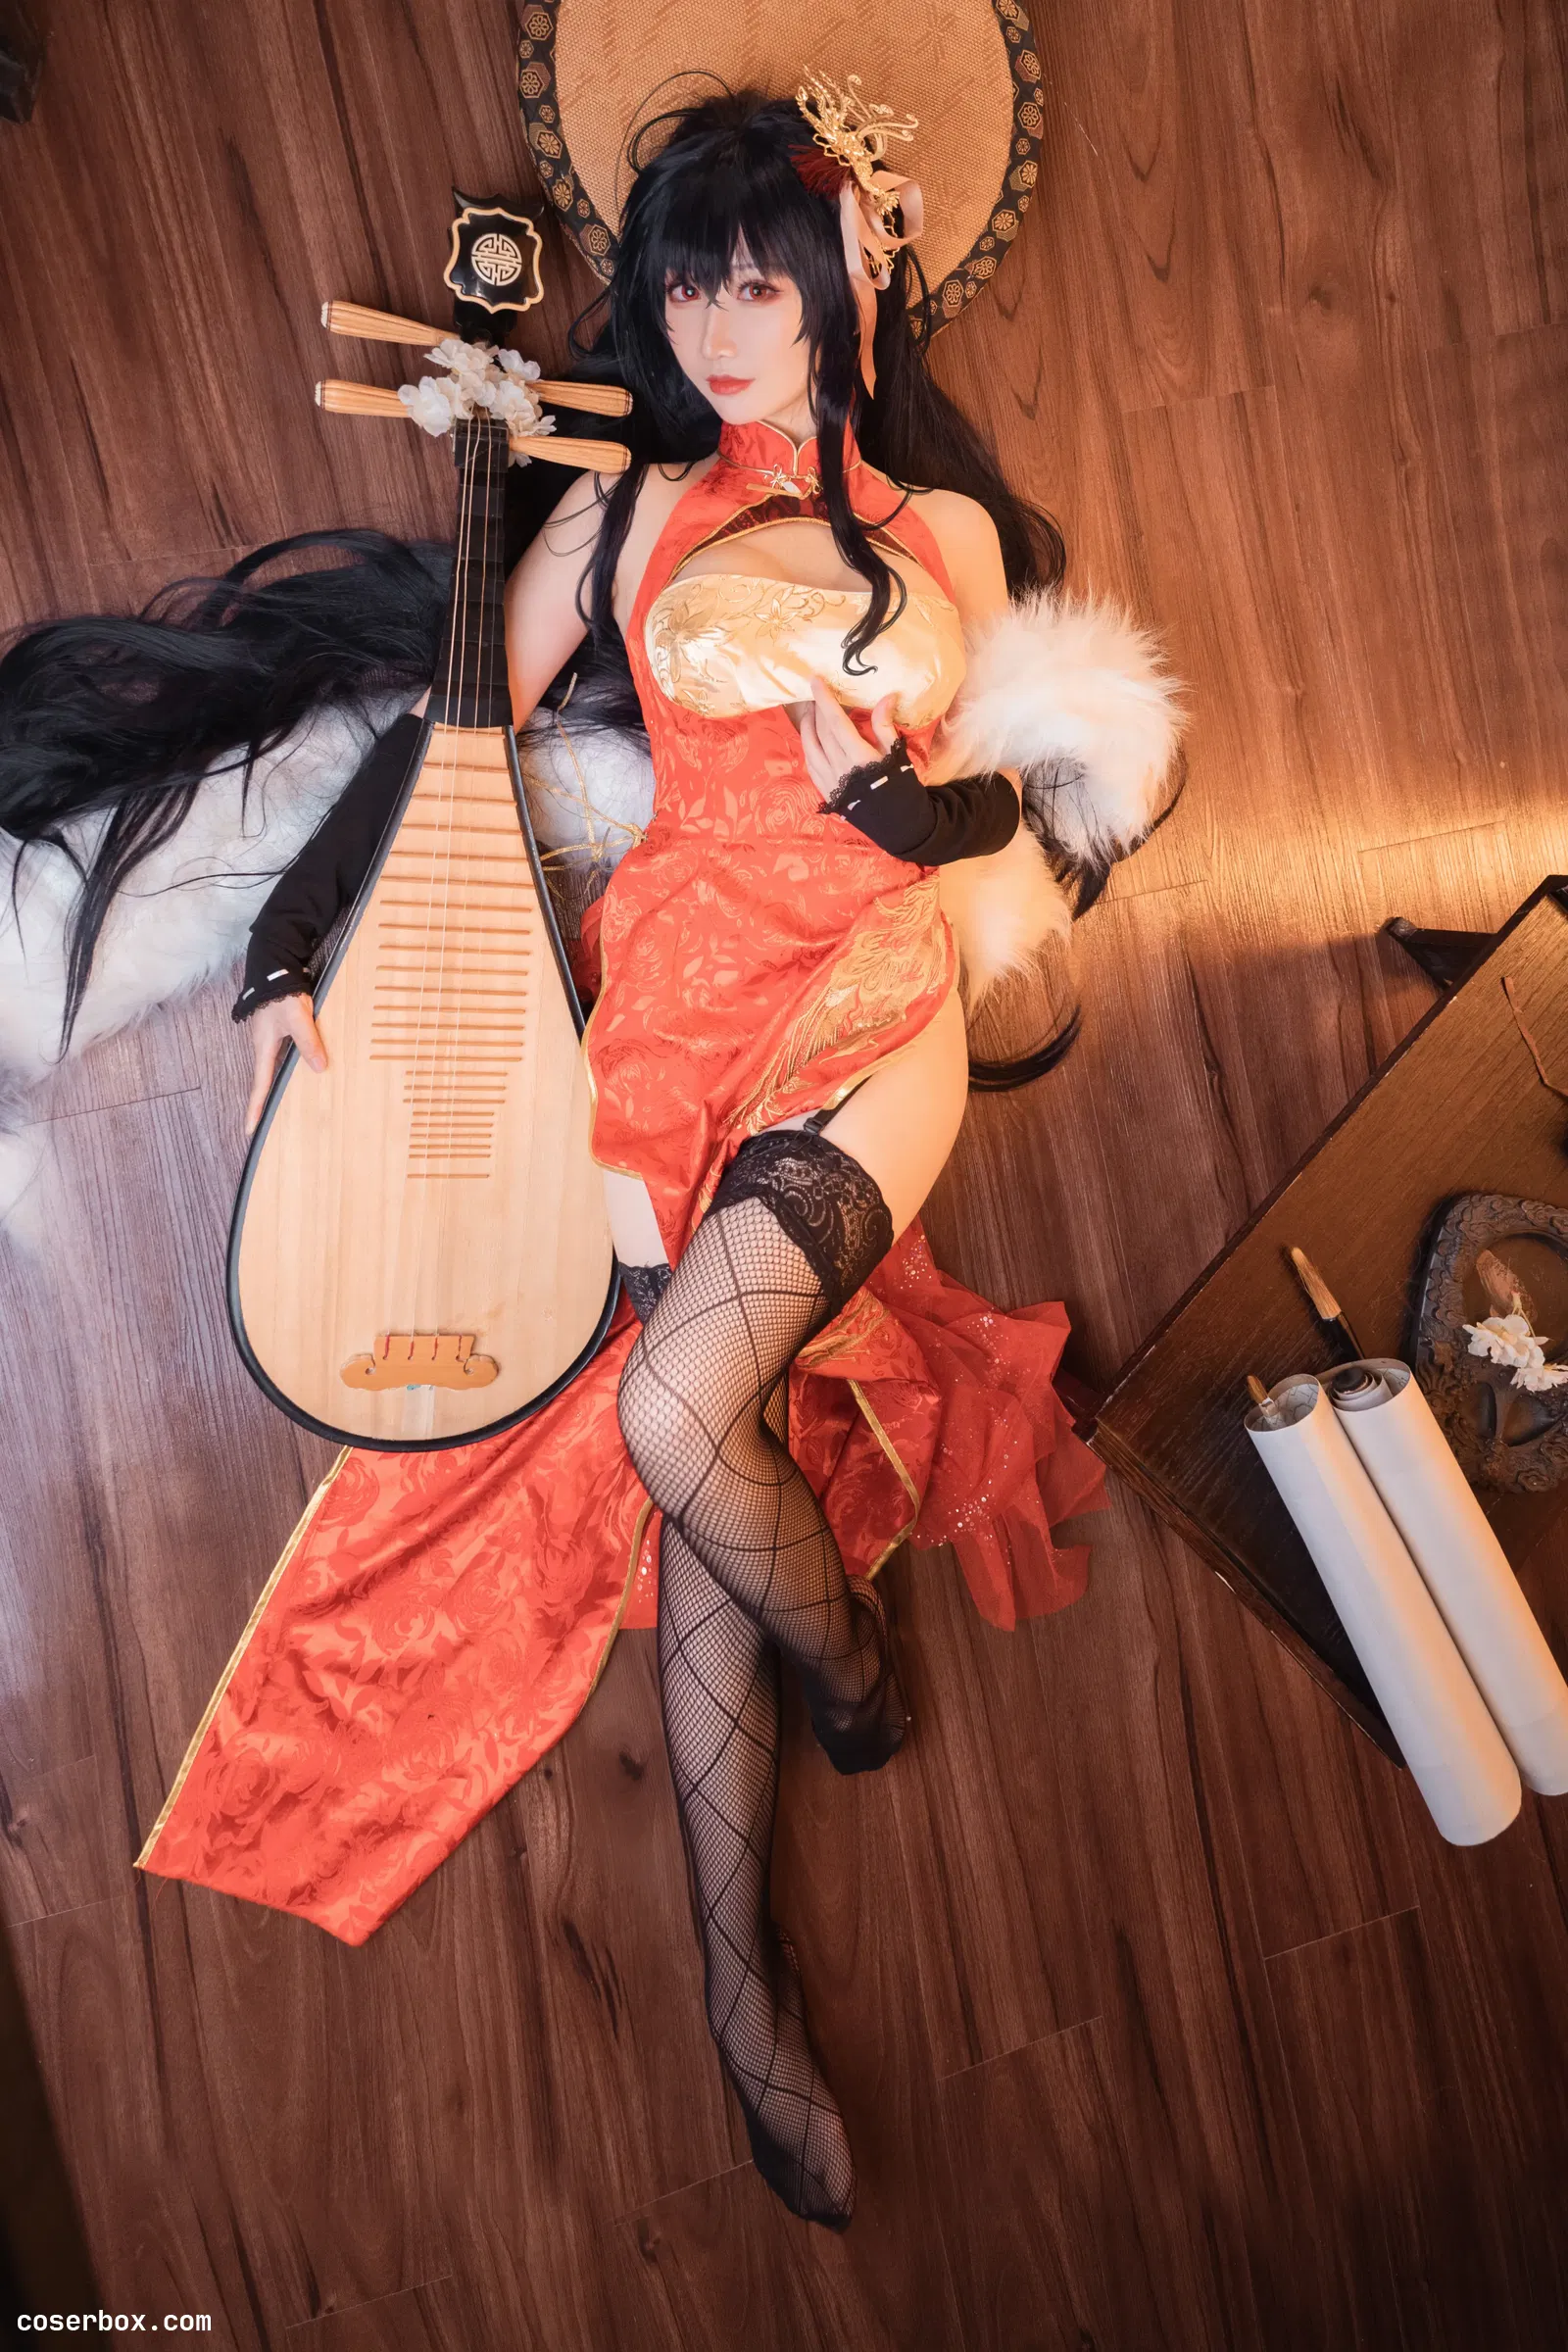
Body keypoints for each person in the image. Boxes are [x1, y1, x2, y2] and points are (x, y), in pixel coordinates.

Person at [1, 84, 1176, 2230]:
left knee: (668, 1413)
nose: (722, 327)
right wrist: (285, 950)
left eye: (760, 284)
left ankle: (845, 1659)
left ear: (849, 281)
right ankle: (744, 2002)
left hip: (862, 1000)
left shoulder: (938, 530)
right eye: (687, 287)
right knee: (694, 1454)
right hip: (659, 1024)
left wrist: (883, 800)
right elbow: (450, 731)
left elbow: (993, 811)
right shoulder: (619, 520)